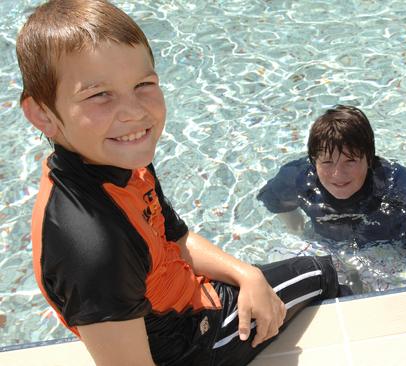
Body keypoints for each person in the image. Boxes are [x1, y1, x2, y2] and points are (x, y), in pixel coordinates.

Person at [17, 1, 341, 365]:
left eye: (143, 84)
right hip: (191, 344)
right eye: (98, 94)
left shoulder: (115, 157)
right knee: (322, 272)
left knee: (272, 281)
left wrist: (245, 274)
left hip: (190, 302)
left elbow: (175, 240)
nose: (134, 112)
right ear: (42, 114)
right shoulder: (93, 245)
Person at [257, 105, 406, 279]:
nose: (338, 174)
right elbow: (272, 198)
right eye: (327, 162)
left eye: (350, 161)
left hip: (382, 250)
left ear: (369, 159)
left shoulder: (396, 184)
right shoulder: (299, 177)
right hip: (325, 245)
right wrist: (294, 225)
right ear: (314, 161)